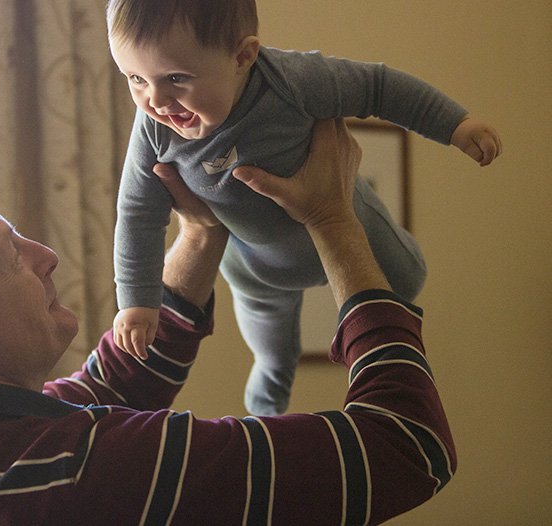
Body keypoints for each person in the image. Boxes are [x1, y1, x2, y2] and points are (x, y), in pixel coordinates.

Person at [0, 119, 456, 525]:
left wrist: (201, 231)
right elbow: (406, 445)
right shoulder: (84, 472)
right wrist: (333, 219)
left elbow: (109, 385)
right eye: (12, 256)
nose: (45, 256)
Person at [107, 0, 502, 416]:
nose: (155, 100)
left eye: (175, 78)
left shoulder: (292, 80)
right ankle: (267, 406)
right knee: (273, 353)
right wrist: (136, 299)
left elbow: (379, 88)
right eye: (135, 78)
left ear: (243, 57)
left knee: (408, 279)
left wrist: (456, 125)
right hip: (257, 269)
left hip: (352, 222)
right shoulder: (153, 130)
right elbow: (137, 213)